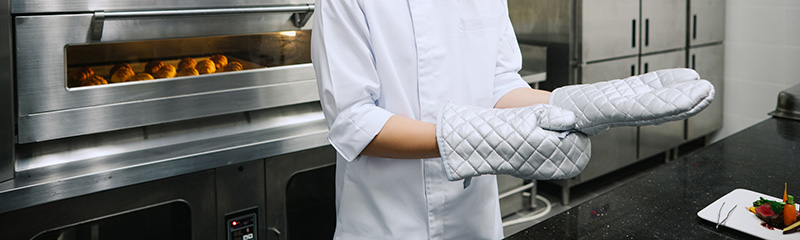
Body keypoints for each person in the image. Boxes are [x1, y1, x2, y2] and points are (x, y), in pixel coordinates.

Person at [311, 1, 713, 239]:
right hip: (389, 221)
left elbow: (500, 83)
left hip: (474, 218)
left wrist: (576, 103)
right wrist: (470, 138)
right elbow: (353, 119)